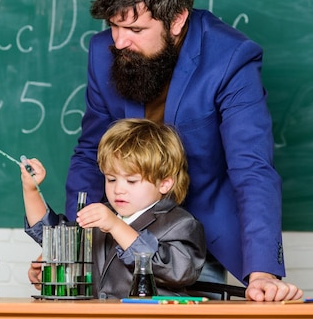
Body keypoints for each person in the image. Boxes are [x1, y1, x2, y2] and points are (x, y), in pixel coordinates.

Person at [30, 0, 302, 302]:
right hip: (121, 238)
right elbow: (88, 154)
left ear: (177, 20)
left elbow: (252, 168)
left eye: (137, 30)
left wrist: (263, 271)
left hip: (199, 242)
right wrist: (71, 249)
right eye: (113, 25)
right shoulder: (102, 52)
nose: (119, 42)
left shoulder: (232, 58)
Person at [21, 118, 206, 299]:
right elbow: (54, 236)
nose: (118, 189)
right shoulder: (103, 215)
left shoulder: (181, 223)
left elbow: (178, 272)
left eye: (132, 181)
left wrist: (116, 226)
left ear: (164, 183)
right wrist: (31, 190)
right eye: (111, 179)